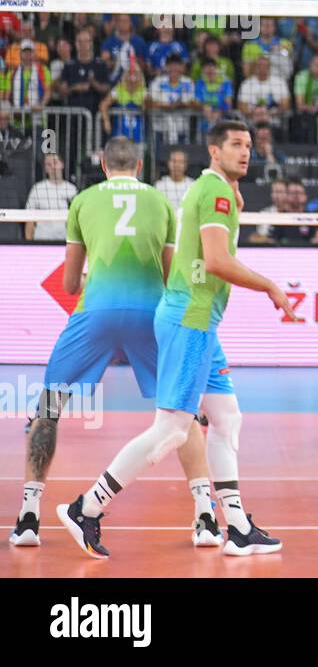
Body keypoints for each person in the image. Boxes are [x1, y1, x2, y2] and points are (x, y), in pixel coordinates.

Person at [57, 121, 299, 559]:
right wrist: (271, 287)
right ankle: (86, 507)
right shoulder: (216, 193)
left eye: (249, 145)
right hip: (191, 317)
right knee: (171, 431)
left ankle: (239, 527)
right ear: (213, 150)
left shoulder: (215, 190)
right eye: (235, 146)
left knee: (226, 419)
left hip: (198, 317)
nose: (246, 152)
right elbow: (218, 260)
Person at [12, 138, 220, 550]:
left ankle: (28, 517)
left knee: (49, 408)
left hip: (97, 311)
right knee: (182, 413)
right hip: (151, 313)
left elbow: (70, 284)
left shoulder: (82, 200)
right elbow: (169, 276)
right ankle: (206, 516)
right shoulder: (161, 202)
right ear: (140, 165)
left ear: (104, 164)